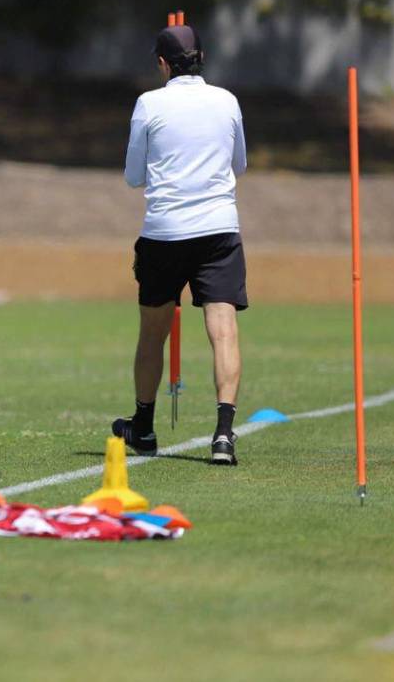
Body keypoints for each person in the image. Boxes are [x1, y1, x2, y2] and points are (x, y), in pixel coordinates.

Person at [116, 23, 248, 466]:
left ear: (162, 63)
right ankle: (224, 435)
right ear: (201, 58)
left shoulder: (149, 103)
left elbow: (133, 176)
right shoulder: (227, 100)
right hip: (219, 230)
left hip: (165, 233)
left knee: (153, 335)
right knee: (223, 331)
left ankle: (144, 427)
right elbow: (239, 164)